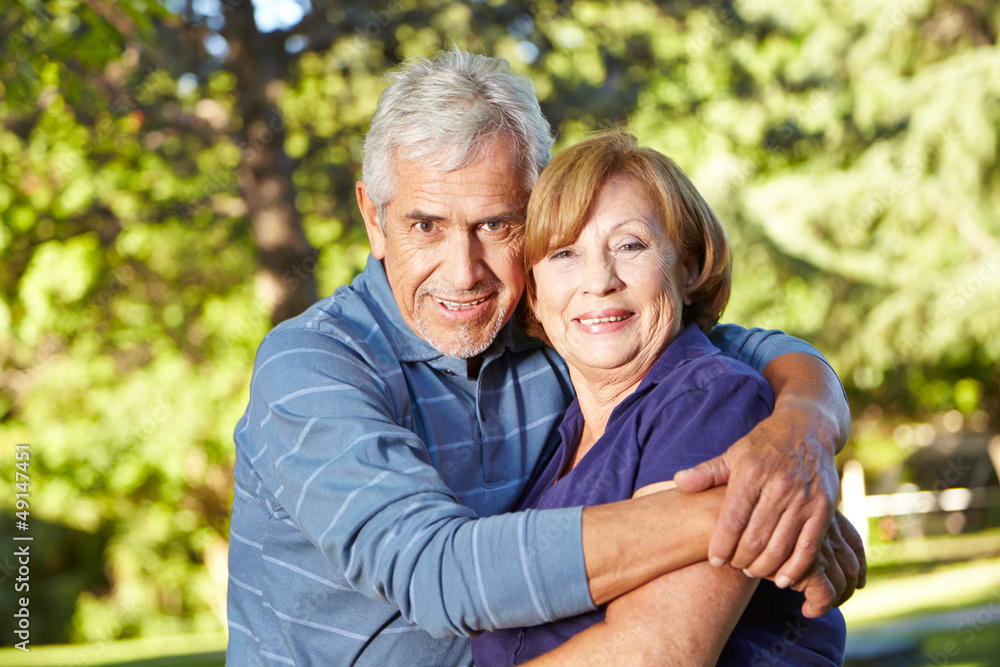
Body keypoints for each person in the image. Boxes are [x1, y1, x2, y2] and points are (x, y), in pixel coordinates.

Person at [226, 50, 863, 666]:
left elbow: (731, 352)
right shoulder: (312, 366)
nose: (463, 272)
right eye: (426, 227)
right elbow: (437, 573)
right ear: (373, 217)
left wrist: (801, 431)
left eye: (497, 225)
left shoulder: (553, 330)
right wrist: (751, 510)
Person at [471, 131, 847, 666]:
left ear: (689, 267)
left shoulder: (713, 402)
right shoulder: (559, 433)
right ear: (532, 290)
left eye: (630, 245)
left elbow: (658, 652)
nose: (599, 281)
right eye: (564, 254)